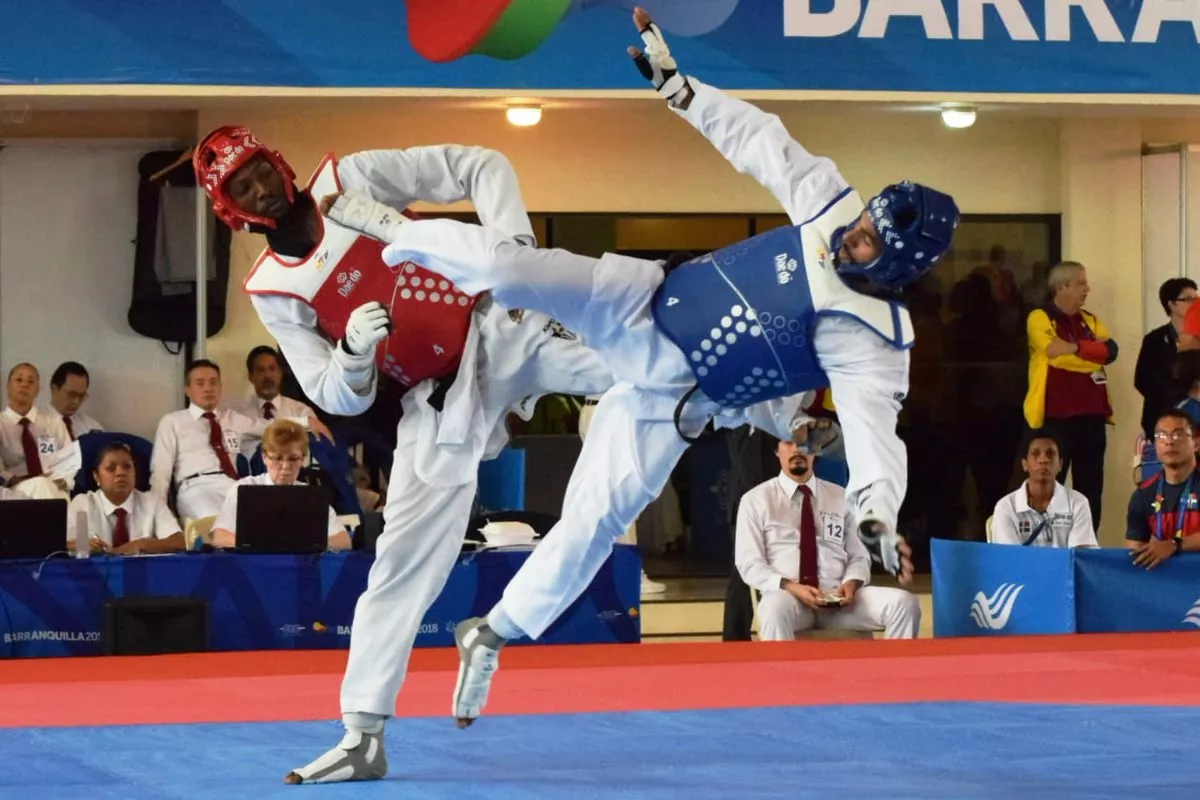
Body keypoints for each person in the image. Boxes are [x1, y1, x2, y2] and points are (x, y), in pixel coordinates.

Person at [326, 6, 958, 728]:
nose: (857, 236)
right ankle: (394, 229)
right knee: (513, 269)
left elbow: (879, 434)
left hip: (674, 402)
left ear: (903, 262)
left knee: (593, 525)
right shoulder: (829, 205)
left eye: (875, 242)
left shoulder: (873, 338)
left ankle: (493, 633)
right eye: (868, 222)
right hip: (642, 304)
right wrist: (681, 90)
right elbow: (763, 143)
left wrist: (876, 508)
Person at [193, 126, 615, 785]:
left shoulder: (352, 179)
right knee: (398, 566)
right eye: (241, 189)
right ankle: (363, 734)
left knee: (635, 366)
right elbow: (336, 392)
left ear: (278, 163)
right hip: (438, 397)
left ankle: (773, 403)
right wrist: (355, 354)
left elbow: (482, 164)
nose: (261, 191)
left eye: (260, 173)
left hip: (498, 327)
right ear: (232, 211)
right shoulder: (274, 287)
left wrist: (514, 259)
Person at [736, 435, 920, 641]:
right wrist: (792, 587)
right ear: (777, 451)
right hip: (789, 598)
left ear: (817, 450)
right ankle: (783, 674)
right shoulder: (755, 501)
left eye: (805, 444)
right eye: (788, 443)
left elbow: (859, 556)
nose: (797, 450)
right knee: (772, 609)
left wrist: (851, 583)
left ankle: (894, 673)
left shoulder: (841, 497)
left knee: (904, 604)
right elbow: (749, 564)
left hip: (838, 600)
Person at [209, 420, 351, 551]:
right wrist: (268, 544)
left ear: (303, 459)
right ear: (264, 457)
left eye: (293, 459)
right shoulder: (243, 488)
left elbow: (343, 541)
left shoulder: (311, 495)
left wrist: (298, 544)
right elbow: (220, 537)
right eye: (277, 458)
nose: (285, 466)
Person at [68, 442, 184, 554]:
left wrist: (139, 545)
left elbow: (179, 542)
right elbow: (60, 545)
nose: (120, 473)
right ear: (96, 476)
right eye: (111, 468)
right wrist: (82, 545)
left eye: (127, 467)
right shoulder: (82, 505)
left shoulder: (152, 502)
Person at [990, 432, 1097, 548]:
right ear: (1024, 464)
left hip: (1064, 567)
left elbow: (1080, 557)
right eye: (1036, 454)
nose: (1043, 459)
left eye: (1050, 454)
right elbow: (1010, 560)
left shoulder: (1078, 503)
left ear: (1060, 464)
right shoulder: (1006, 507)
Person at [1126, 409, 1200, 568]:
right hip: (1167, 584)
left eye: (1178, 434)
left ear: (1196, 443)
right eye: (1161, 436)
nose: (1169, 441)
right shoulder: (1143, 494)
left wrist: (1174, 544)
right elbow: (1134, 553)